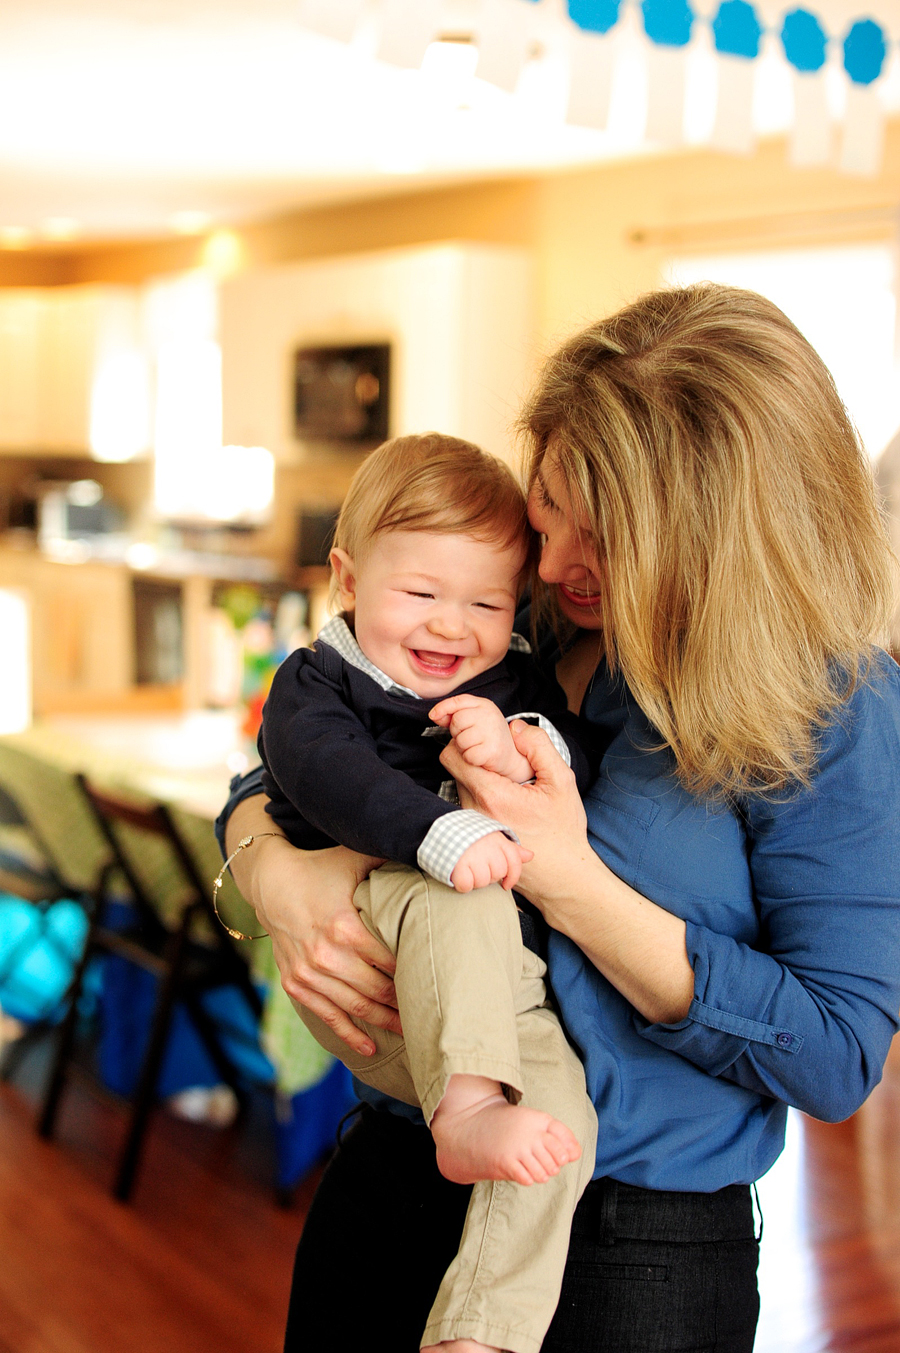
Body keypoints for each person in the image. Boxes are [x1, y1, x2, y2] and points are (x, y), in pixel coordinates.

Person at [218, 283, 900, 1353]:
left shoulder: (836, 708)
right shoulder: (519, 616)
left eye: (609, 535)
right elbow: (306, 751)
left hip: (636, 1256)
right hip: (394, 1174)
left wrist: (564, 877)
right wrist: (270, 876)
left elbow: (833, 1056)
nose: (559, 564)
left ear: (725, 535)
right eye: (550, 513)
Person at [256, 432, 599, 1353]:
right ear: (347, 578)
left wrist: (521, 739)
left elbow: (575, 752)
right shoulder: (319, 683)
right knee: (460, 892)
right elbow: (324, 775)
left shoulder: (510, 677)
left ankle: (481, 1332)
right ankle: (468, 1110)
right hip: (390, 916)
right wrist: (440, 832)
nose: (453, 627)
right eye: (421, 594)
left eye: (486, 602)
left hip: (500, 989)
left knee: (565, 1117)